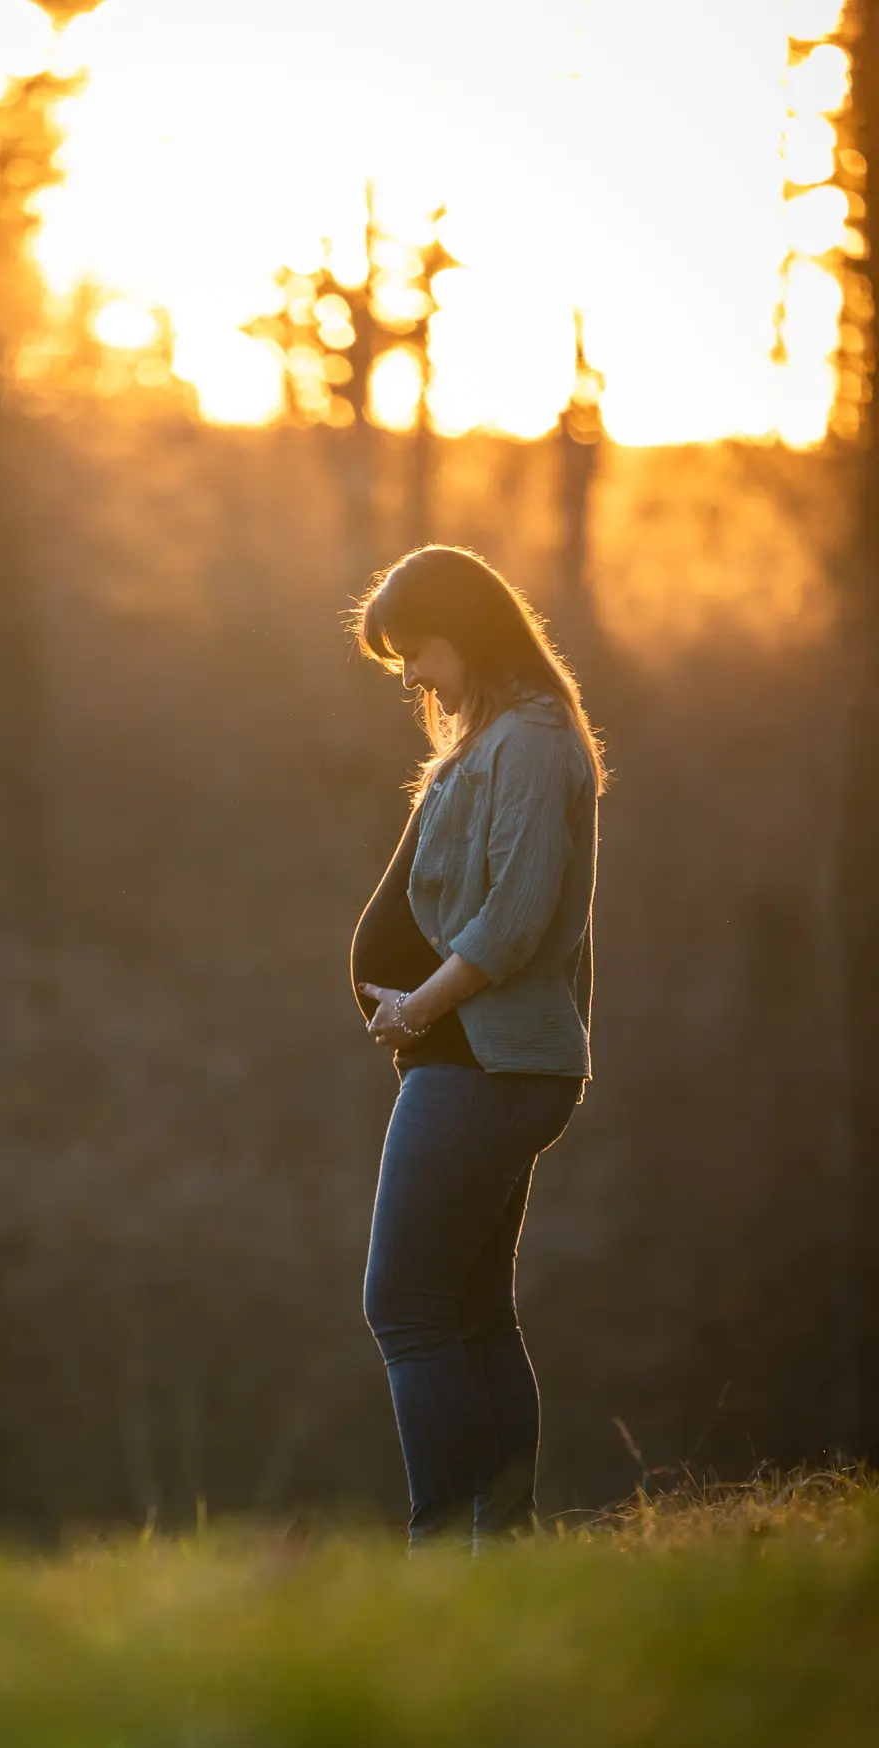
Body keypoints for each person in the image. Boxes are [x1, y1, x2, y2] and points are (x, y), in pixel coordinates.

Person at [349, 545, 607, 1552]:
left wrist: (414, 1007)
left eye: (415, 649)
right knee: (467, 1313)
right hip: (468, 1060)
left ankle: (441, 1547)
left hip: (485, 1063)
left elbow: (509, 923)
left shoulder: (532, 744)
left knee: (404, 1307)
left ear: (469, 626)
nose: (407, 675)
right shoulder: (492, 738)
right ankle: (496, 1546)